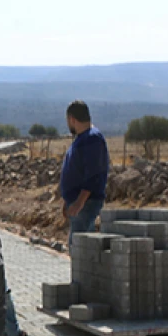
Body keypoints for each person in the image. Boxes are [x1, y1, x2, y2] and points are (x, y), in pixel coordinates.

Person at [59, 100, 109, 249]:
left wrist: (79, 202)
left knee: (80, 248)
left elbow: (92, 175)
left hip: (86, 204)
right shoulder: (82, 138)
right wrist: (67, 200)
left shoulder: (92, 139)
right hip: (78, 203)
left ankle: (84, 273)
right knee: (79, 246)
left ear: (72, 119)